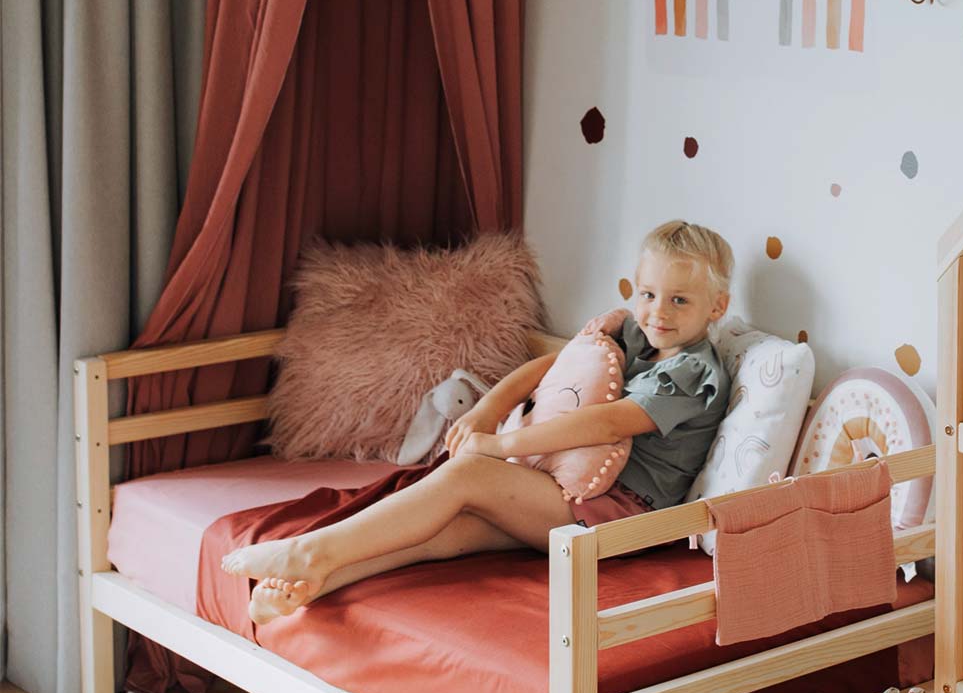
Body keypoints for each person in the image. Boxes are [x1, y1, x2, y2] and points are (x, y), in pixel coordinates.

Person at [222, 220, 734, 623]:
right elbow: (547, 366)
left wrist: (501, 446)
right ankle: (316, 580)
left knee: (468, 475)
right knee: (449, 529)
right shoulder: (635, 338)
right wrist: (488, 409)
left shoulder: (690, 372)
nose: (657, 311)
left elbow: (606, 425)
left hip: (620, 519)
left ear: (717, 308)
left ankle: (309, 549)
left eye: (679, 300)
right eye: (648, 294)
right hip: (575, 498)